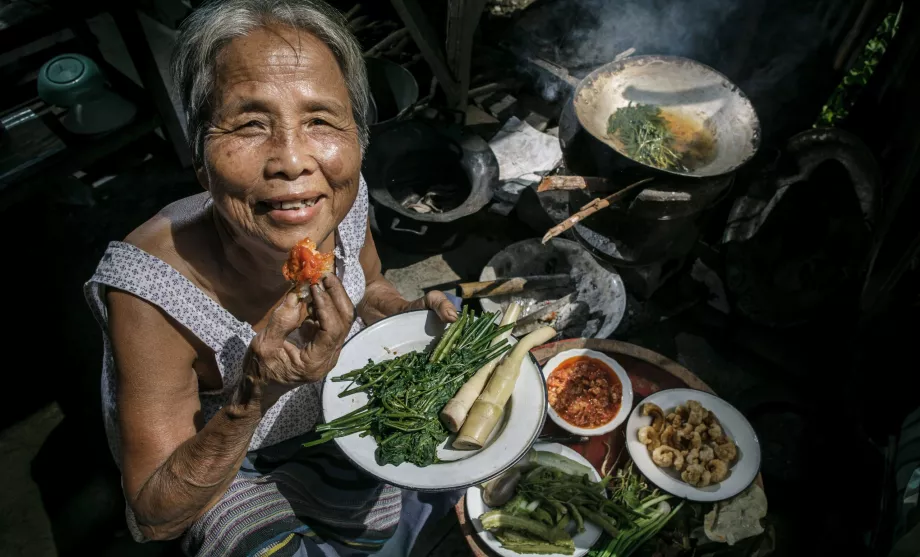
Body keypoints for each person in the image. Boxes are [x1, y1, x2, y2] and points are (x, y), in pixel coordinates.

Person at [84, 1, 460, 555]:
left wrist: (392, 313)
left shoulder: (335, 199)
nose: (292, 160)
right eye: (250, 123)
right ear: (198, 158)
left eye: (321, 121)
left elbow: (371, 282)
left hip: (337, 409)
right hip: (231, 459)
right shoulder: (150, 289)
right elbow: (156, 513)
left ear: (357, 138)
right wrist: (254, 393)